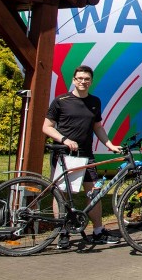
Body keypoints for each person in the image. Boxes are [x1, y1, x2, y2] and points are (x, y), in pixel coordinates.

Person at [42, 65, 121, 247]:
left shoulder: (95, 101)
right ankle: (62, 232)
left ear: (91, 81)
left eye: (86, 79)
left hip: (86, 155)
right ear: (73, 80)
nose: (83, 82)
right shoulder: (61, 101)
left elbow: (97, 127)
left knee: (93, 193)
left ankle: (98, 231)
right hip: (63, 154)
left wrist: (109, 145)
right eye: (79, 78)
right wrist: (64, 139)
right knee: (60, 194)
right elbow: (46, 127)